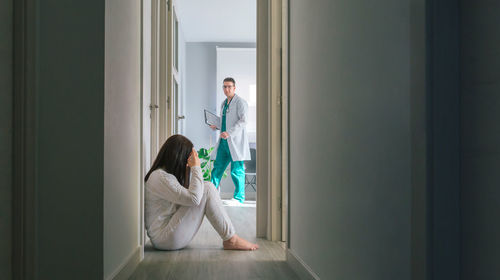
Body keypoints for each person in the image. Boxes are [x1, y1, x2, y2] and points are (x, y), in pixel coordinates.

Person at [144, 134, 259, 251]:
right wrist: (196, 167)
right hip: (164, 239)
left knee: (205, 187)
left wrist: (191, 169)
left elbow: (190, 196)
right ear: (178, 157)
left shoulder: (163, 176)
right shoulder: (161, 177)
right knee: (207, 188)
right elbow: (194, 198)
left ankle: (231, 238)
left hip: (165, 236)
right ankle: (231, 239)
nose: (187, 164)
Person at [209, 77, 251, 205]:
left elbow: (243, 121)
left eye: (229, 87)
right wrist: (216, 126)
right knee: (217, 169)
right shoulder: (223, 104)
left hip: (235, 142)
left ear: (234, 88)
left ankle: (239, 198)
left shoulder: (240, 102)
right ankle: (212, 196)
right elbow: (224, 122)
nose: (226, 89)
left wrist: (230, 133)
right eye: (224, 87)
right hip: (223, 142)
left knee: (237, 170)